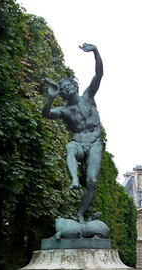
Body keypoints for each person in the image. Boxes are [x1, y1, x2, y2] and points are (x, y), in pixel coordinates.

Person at [42, 43, 103, 222]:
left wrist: (95, 51)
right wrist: (50, 98)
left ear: (75, 86)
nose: (67, 89)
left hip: (94, 143)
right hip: (79, 144)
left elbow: (99, 74)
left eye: (69, 86)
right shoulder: (64, 110)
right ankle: (74, 180)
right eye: (64, 89)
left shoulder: (89, 97)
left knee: (92, 181)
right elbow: (46, 114)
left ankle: (80, 214)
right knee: (70, 147)